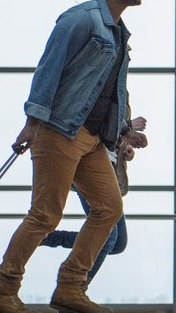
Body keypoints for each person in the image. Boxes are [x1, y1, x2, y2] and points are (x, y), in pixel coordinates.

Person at [0, 0, 144, 313]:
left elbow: (111, 90)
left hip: (91, 138)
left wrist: (123, 131)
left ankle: (71, 288)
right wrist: (33, 120)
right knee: (45, 215)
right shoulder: (81, 19)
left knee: (109, 207)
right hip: (59, 130)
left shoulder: (118, 33)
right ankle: (2, 289)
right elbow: (48, 69)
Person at [39, 116, 147, 285]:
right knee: (108, 238)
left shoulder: (121, 92)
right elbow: (92, 122)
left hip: (109, 170)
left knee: (118, 243)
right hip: (91, 167)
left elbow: (111, 136)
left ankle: (50, 238)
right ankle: (74, 286)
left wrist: (124, 149)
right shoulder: (101, 89)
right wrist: (128, 127)